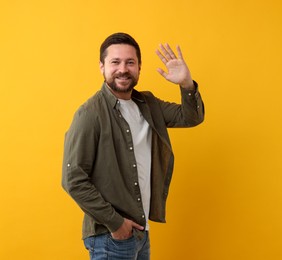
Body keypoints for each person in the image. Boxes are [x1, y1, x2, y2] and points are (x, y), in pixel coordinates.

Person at [62, 32, 205, 260]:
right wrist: (116, 223)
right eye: (115, 62)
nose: (123, 69)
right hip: (110, 235)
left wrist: (187, 84)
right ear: (102, 67)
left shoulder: (148, 104)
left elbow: (191, 117)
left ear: (139, 67)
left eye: (130, 62)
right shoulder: (90, 114)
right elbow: (73, 180)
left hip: (140, 232)